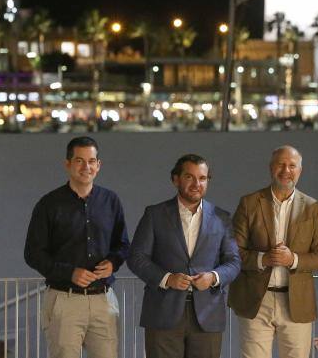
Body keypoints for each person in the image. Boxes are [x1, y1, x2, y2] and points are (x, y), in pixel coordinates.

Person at [24, 136, 130, 358]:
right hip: (65, 300)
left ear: (98, 165)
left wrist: (113, 263)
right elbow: (33, 253)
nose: (86, 167)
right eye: (79, 161)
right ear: (68, 164)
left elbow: (122, 244)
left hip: (103, 301)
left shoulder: (111, 200)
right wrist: (69, 272)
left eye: (91, 161)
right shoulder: (49, 204)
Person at [128, 154, 241, 358]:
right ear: (175, 179)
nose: (197, 183)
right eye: (189, 177)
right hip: (163, 312)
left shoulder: (222, 217)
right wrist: (167, 278)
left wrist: (213, 277)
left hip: (208, 315)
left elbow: (233, 262)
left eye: (203, 178)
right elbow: (136, 257)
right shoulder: (154, 214)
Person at [227, 145, 318, 358]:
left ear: (300, 171)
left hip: (297, 302)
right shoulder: (249, 203)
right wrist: (263, 259)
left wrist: (292, 259)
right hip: (256, 299)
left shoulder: (312, 207)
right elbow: (233, 251)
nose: (286, 170)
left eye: (292, 165)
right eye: (280, 164)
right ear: (270, 168)